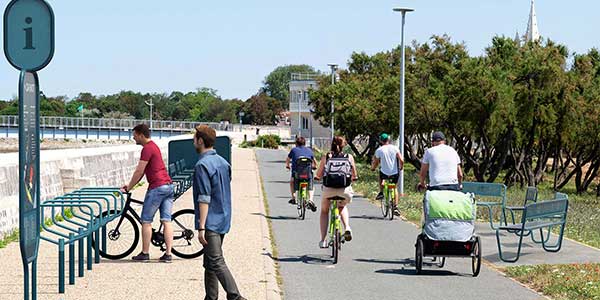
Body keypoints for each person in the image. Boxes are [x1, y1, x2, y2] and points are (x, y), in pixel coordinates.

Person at [192, 125, 246, 300]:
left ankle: (235, 296)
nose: (193, 141)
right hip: (223, 217)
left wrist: (201, 227)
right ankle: (211, 297)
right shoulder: (223, 162)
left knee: (216, 260)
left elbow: (204, 198)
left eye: (194, 138)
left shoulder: (202, 165)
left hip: (211, 221)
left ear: (200, 140)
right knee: (209, 263)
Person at [121, 124, 174, 262]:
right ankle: (168, 254)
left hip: (157, 187)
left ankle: (145, 253)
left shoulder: (147, 149)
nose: (133, 138)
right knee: (166, 220)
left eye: (134, 135)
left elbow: (139, 171)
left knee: (146, 220)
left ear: (140, 134)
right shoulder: (154, 146)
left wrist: (129, 187)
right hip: (168, 185)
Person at [315, 136, 358, 248]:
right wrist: (354, 178)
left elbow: (319, 174)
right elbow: (354, 175)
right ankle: (347, 227)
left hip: (328, 190)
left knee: (324, 211)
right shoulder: (349, 157)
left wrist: (318, 177)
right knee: (342, 206)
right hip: (344, 191)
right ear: (344, 145)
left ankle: (323, 240)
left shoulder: (327, 156)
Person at [371, 133, 404, 216]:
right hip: (394, 173)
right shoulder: (395, 148)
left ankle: (381, 192)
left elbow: (376, 162)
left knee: (380, 176)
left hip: (384, 173)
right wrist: (401, 167)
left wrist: (373, 168)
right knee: (394, 187)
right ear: (388, 140)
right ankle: (395, 206)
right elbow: (401, 159)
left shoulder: (379, 150)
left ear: (381, 141)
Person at [285, 136, 318, 212]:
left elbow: (288, 159)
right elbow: (314, 161)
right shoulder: (309, 150)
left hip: (297, 173)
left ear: (296, 143)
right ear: (304, 143)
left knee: (292, 182)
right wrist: (315, 166)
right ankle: (310, 200)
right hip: (307, 174)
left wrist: (287, 166)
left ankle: (293, 198)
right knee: (311, 186)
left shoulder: (293, 150)